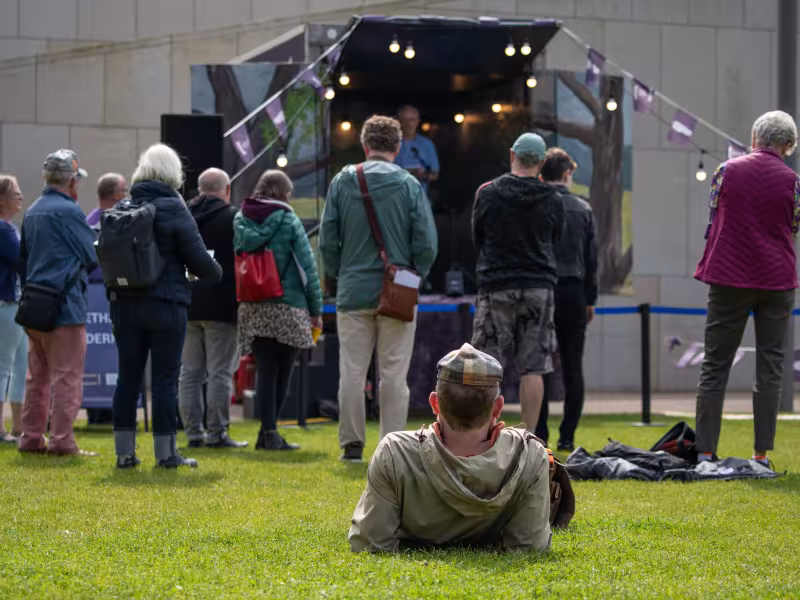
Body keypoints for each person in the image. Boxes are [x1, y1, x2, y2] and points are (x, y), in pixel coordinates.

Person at [349, 343, 551, 553]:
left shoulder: (395, 452)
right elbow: (530, 547)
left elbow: (369, 543)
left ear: (434, 403)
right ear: (498, 407)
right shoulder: (529, 454)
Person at [320, 115, 438, 462]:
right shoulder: (409, 184)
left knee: (352, 373)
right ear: (398, 148)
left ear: (364, 144)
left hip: (353, 290)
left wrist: (338, 275)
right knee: (394, 375)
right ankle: (392, 448)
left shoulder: (343, 182)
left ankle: (352, 444)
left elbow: (327, 241)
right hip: (398, 292)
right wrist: (412, 277)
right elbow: (427, 243)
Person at [694, 110, 800, 466]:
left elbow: (714, 217)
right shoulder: (793, 181)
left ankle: (706, 450)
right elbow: (793, 227)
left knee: (715, 364)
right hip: (776, 279)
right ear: (788, 145)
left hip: (729, 277)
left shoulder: (726, 171)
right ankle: (760, 454)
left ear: (755, 138)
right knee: (770, 367)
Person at [110, 144, 221, 469]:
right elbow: (201, 262)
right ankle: (166, 453)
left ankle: (124, 454)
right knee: (164, 379)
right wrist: (212, 274)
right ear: (173, 172)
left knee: (127, 379)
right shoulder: (174, 207)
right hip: (166, 305)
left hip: (124, 306)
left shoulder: (125, 205)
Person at [471, 132, 565, 433]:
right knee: (533, 367)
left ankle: (484, 434)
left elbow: (478, 238)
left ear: (513, 155)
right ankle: (527, 437)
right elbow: (556, 243)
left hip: (496, 286)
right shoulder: (553, 199)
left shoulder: (487, 193)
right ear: (542, 162)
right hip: (538, 288)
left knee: (487, 367)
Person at [233, 170, 323, 451]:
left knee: (264, 370)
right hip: (288, 304)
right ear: (284, 193)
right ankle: (270, 433)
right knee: (284, 370)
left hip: (253, 304)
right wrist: (315, 309)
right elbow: (307, 268)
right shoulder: (288, 219)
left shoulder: (240, 219)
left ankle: (266, 430)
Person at [17, 150, 97, 456]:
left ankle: (31, 437)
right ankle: (62, 441)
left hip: (35, 306)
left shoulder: (34, 209)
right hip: (64, 308)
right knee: (67, 377)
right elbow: (92, 255)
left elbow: (23, 261)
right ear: (72, 181)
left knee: (36, 378)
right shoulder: (68, 211)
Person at [534, 148, 598, 452]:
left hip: (542, 289)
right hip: (574, 290)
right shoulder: (582, 208)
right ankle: (568, 434)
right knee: (574, 366)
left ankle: (541, 431)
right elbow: (591, 260)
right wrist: (590, 299)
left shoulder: (535, 205)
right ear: (566, 174)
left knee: (540, 365)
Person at [179, 168, 246, 449]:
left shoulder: (184, 215)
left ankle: (193, 433)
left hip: (187, 305)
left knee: (190, 372)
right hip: (222, 306)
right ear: (227, 189)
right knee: (219, 373)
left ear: (199, 189)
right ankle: (218, 433)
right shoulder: (234, 218)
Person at [85, 173, 129, 425]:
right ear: (115, 195)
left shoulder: (86, 222)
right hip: (105, 300)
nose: (127, 195)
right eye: (125, 190)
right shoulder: (114, 223)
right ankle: (101, 409)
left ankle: (98, 411)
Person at [0, 175, 27, 443]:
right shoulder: (4, 230)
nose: (20, 195)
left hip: (13, 305)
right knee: (4, 368)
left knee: (21, 365)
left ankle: (20, 427)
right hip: (6, 305)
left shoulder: (9, 228)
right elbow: (23, 260)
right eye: (15, 192)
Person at [395, 105, 440, 193]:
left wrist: (424, 176)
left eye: (412, 119)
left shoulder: (427, 144)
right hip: (396, 200)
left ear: (418, 121)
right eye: (404, 120)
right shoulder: (390, 144)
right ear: (399, 122)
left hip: (419, 198)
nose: (408, 124)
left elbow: (435, 174)